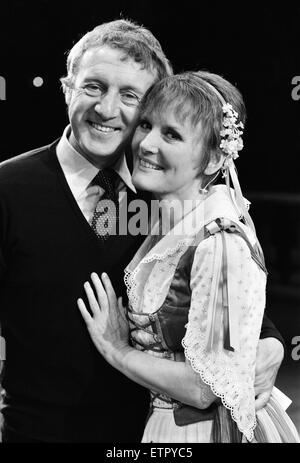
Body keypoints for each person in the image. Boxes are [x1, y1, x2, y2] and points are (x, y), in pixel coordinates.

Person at [0, 18, 284, 442]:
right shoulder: (7, 189)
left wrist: (272, 343)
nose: (107, 110)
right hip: (39, 432)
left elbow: (228, 297)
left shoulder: (168, 190)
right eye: (93, 86)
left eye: (130, 96)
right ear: (67, 89)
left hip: (152, 435)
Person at [77, 71, 299, 442]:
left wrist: (116, 350)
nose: (146, 143)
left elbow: (204, 387)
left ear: (213, 159)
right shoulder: (163, 221)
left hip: (204, 430)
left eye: (172, 135)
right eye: (146, 125)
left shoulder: (219, 243)